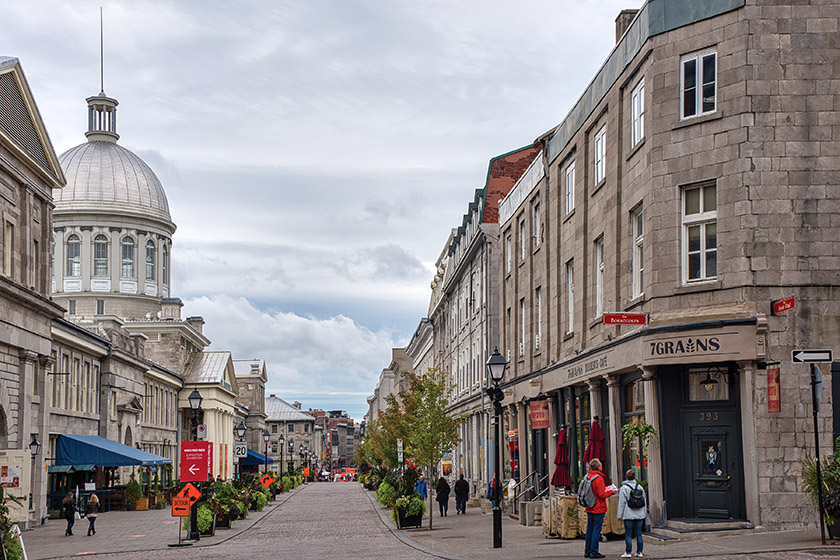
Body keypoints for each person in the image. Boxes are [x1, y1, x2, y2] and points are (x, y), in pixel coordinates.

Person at [583, 458, 616, 559]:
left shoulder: (587, 477)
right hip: (598, 507)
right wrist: (612, 491)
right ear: (598, 466)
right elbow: (602, 494)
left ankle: (587, 551)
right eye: (600, 464)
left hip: (589, 506)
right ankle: (594, 551)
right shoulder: (599, 479)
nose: (602, 465)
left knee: (589, 529)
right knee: (596, 530)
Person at [617, 469, 647, 558]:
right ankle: (639, 552)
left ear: (626, 477)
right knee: (639, 533)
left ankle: (628, 552)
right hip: (639, 513)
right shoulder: (640, 487)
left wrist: (619, 515)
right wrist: (644, 514)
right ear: (635, 477)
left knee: (628, 534)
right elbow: (644, 501)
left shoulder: (624, 488)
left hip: (628, 514)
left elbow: (621, 503)